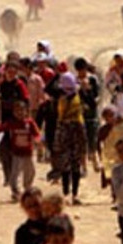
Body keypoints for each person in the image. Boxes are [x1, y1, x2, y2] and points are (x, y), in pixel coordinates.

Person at [53, 72, 88, 205]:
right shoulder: (61, 98)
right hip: (64, 132)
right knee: (65, 167)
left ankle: (75, 194)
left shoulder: (80, 96)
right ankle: (66, 193)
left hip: (76, 132)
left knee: (75, 166)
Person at [0, 100, 40, 201]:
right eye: (17, 111)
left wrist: (38, 140)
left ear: (26, 111)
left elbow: (37, 133)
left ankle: (27, 188)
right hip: (16, 153)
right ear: (13, 113)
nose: (20, 113)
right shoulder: (12, 123)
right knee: (15, 173)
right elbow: (1, 129)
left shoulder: (29, 123)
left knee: (30, 171)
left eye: (22, 110)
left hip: (28, 152)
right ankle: (15, 191)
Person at [75, 58, 103, 174]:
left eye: (83, 70)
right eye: (79, 70)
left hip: (92, 114)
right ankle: (84, 167)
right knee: (81, 141)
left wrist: (88, 90)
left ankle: (96, 162)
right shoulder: (75, 81)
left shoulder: (93, 79)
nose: (81, 73)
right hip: (80, 114)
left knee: (93, 139)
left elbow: (98, 96)